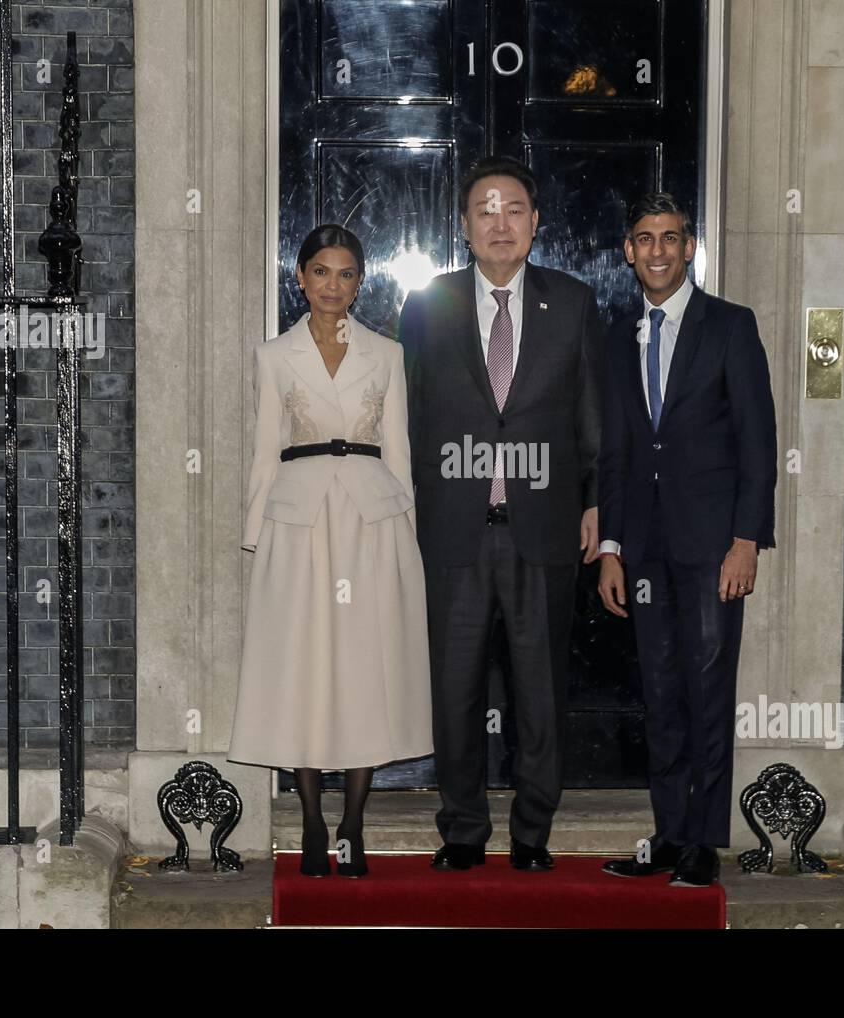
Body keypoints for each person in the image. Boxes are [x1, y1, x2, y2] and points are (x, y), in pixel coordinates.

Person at [398, 155, 604, 872]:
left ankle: (531, 834)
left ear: (536, 222)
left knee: (539, 692)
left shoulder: (573, 303)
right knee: (453, 692)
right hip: (453, 532)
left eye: (514, 209)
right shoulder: (427, 307)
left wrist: (596, 504)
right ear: (463, 226)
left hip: (542, 531)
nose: (500, 223)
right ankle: (460, 831)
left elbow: (592, 421)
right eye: (485, 210)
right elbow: (411, 418)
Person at [230, 224, 432, 878]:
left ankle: (353, 825)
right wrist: (256, 536)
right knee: (305, 670)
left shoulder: (387, 354)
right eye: (321, 272)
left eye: (346, 274)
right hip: (299, 524)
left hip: (372, 523)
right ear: (300, 277)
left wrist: (409, 538)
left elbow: (399, 452)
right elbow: (265, 454)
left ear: (359, 283)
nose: (332, 285)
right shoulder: (273, 355)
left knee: (364, 670)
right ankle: (313, 822)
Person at [597, 193, 777, 887]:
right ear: (628, 250)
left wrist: (746, 541)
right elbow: (615, 449)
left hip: (712, 548)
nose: (658, 250)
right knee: (661, 694)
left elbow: (758, 444)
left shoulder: (730, 326)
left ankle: (705, 840)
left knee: (707, 690)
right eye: (645, 238)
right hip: (641, 546)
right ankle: (670, 834)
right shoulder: (618, 337)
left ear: (690, 246)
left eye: (670, 238)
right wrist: (610, 546)